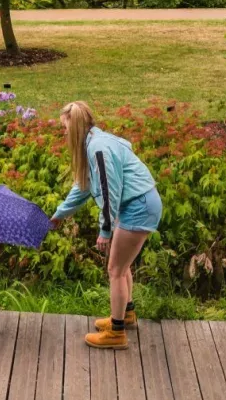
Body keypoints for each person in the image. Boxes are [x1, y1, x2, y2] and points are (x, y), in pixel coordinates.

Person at [50, 101, 162, 350]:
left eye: (65, 128)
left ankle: (116, 332)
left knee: (115, 270)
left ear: (76, 126)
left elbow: (109, 191)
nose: (64, 133)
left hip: (138, 206)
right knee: (122, 266)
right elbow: (83, 187)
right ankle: (127, 313)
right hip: (141, 203)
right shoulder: (94, 143)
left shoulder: (98, 149)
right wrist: (58, 215)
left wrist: (105, 230)